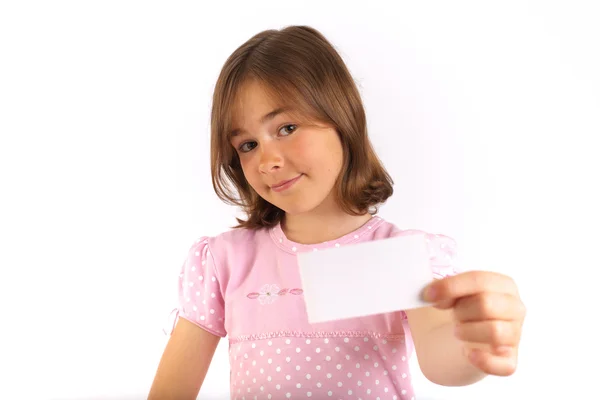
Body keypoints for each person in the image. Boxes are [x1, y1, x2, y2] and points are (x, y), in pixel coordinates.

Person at [148, 25, 526, 400]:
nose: (267, 160)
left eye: (287, 127)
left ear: (342, 119)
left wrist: (477, 342)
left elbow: (444, 358)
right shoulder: (224, 261)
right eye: (247, 144)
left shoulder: (401, 255)